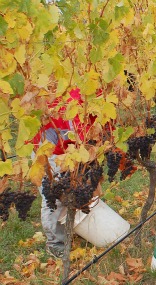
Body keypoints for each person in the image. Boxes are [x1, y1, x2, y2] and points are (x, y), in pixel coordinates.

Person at [29, 88, 93, 258]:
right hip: (50, 149)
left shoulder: (90, 79)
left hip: (76, 148)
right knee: (54, 196)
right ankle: (55, 242)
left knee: (75, 190)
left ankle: (72, 227)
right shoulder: (51, 82)